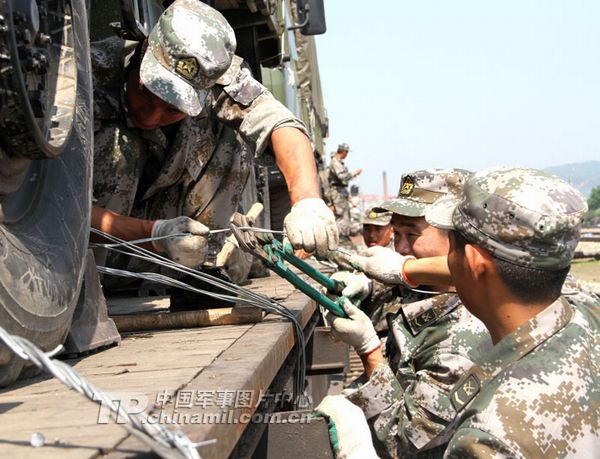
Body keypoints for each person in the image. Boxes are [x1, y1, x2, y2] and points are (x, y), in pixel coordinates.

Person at [91, 0, 337, 274]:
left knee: (235, 139)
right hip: (90, 254)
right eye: (146, 94)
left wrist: (308, 202)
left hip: (166, 251)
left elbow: (279, 123)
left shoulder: (214, 76)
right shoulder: (86, 75)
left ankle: (198, 266)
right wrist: (156, 234)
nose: (150, 117)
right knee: (119, 146)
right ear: (144, 51)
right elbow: (61, 208)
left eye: (173, 109)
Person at [317, 169, 493, 458]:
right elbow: (397, 289)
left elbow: (404, 439)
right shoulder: (426, 287)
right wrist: (365, 286)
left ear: (459, 238)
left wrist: (369, 350)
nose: (400, 247)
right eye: (396, 233)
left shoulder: (465, 337)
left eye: (412, 234)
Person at [424, 166, 599, 457]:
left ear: (472, 263)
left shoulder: (489, 436)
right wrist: (403, 270)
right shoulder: (589, 311)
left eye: (451, 251)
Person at [327, 143, 362, 241]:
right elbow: (341, 176)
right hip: (337, 192)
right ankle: (341, 237)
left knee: (345, 214)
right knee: (341, 215)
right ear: (344, 152)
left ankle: (343, 235)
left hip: (341, 191)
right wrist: (354, 174)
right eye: (346, 152)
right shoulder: (335, 162)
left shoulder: (338, 162)